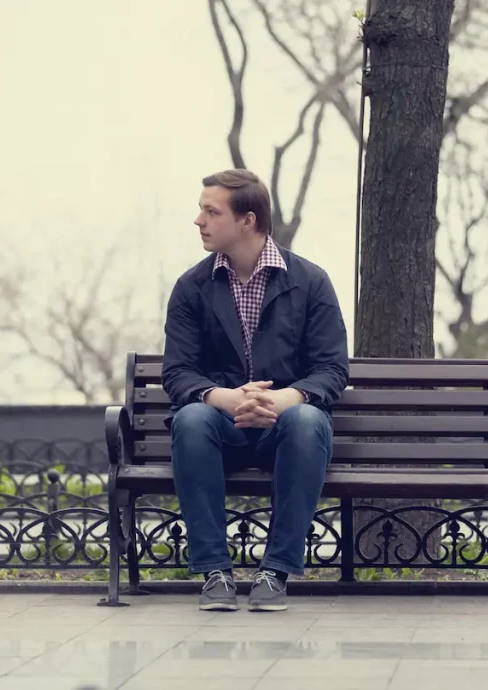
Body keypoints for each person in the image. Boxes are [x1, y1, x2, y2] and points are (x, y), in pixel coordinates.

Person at [161, 169, 349, 612]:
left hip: (284, 428)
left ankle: (275, 572)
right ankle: (215, 574)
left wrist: (285, 399)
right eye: (201, 210)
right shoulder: (192, 287)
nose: (199, 221)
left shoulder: (310, 282)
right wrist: (225, 398)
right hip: (218, 430)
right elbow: (178, 372)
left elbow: (331, 369)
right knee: (191, 418)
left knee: (306, 420)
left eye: (211, 211)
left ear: (247, 220)